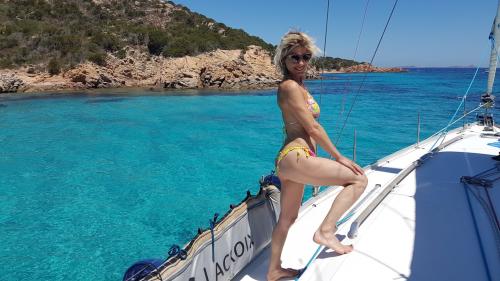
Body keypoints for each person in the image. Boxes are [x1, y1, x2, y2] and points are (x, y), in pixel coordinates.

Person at [267, 31, 368, 281]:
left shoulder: (300, 86)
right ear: (284, 60)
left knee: (287, 218)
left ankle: (273, 270)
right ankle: (325, 231)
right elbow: (312, 128)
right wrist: (338, 156)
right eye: (294, 57)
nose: (301, 62)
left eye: (306, 56)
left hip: (290, 161)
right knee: (358, 179)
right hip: (296, 155)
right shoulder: (290, 86)